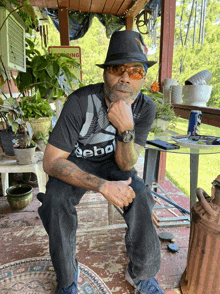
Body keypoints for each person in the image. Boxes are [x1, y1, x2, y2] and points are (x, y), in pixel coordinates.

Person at [37, 30, 164, 294]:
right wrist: (103, 186)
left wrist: (126, 130)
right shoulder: (80, 102)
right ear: (105, 72)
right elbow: (51, 162)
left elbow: (126, 164)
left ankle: (140, 274)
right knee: (55, 200)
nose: (125, 78)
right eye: (117, 68)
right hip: (76, 162)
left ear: (143, 78)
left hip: (114, 163)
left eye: (136, 72)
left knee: (140, 195)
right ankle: (68, 277)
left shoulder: (145, 107)